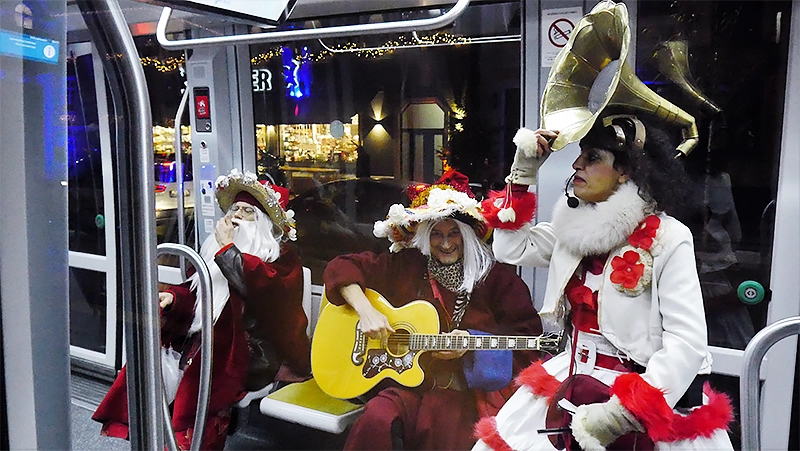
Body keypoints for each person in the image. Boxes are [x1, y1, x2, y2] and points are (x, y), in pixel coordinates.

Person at [473, 113, 734, 451]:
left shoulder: (669, 237)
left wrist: (620, 415)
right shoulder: (574, 229)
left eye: (592, 158)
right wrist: (521, 175)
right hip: (570, 383)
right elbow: (511, 248)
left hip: (634, 396)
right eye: (580, 154)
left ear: (626, 170)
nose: (577, 165)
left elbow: (687, 342)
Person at [323, 170, 544, 451]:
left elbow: (527, 343)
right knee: (375, 420)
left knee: (445, 431)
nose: (446, 243)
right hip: (406, 385)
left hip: (463, 393)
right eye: (436, 234)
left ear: (468, 236)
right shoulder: (408, 264)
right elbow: (342, 267)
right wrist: (365, 310)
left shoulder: (498, 279)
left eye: (454, 233)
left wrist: (472, 345)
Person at [93, 169, 312, 451]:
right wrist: (174, 299)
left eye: (247, 211)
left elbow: (265, 295)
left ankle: (193, 441)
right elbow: (198, 292)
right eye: (234, 209)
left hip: (255, 351)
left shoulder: (281, 260)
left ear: (262, 223)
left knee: (202, 373)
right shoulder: (217, 252)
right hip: (210, 341)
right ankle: (162, 436)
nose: (236, 216)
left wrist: (227, 249)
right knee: (152, 361)